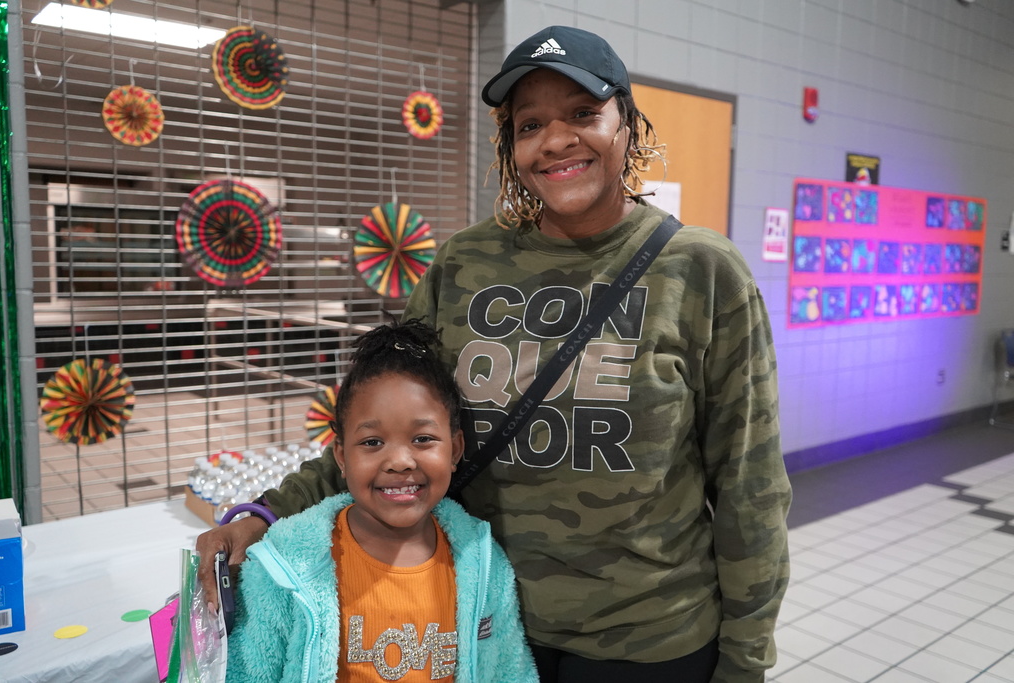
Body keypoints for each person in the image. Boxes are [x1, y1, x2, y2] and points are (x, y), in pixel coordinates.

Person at [201, 25, 790, 683]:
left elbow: (750, 484)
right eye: (529, 123)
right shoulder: (464, 264)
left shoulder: (704, 271)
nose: (556, 140)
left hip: (648, 640)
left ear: (627, 122)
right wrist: (263, 513)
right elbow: (382, 427)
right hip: (484, 618)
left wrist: (746, 658)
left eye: (584, 113)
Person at [224, 320, 539, 682]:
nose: (400, 461)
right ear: (341, 457)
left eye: (423, 439)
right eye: (372, 443)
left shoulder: (482, 563)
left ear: (456, 449)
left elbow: (508, 671)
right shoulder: (285, 566)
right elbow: (247, 672)